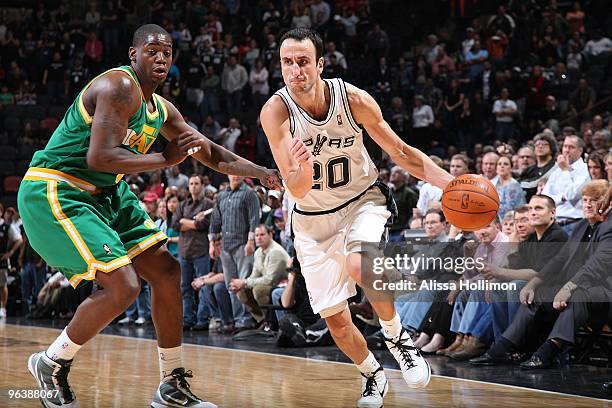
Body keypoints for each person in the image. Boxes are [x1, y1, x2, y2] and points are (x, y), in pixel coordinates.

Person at [18, 24, 280, 408]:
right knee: (123, 286)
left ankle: (172, 384)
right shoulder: (117, 88)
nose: (160, 59)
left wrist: (264, 173)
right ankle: (51, 362)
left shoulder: (161, 110)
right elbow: (100, 158)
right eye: (152, 52)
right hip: (58, 188)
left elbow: (208, 152)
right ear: (132, 54)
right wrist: (164, 159)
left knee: (166, 272)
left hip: (106, 192)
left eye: (167, 53)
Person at [260, 28, 453, 407]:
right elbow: (297, 190)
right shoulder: (275, 112)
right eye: (287, 62)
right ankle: (372, 374)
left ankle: (399, 338)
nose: (295, 70)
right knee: (335, 320)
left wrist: (450, 184)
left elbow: (400, 151)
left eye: (302, 62)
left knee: (360, 262)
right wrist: (304, 168)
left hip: (361, 200)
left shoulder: (352, 99)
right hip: (312, 218)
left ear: (319, 65)